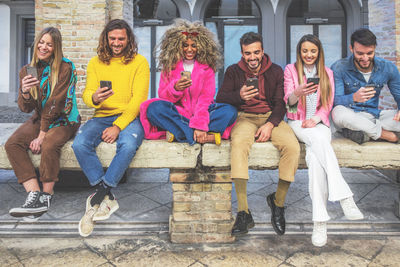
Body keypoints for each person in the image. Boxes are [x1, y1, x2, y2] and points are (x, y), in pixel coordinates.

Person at [216, 32, 300, 236]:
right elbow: (221, 98)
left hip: (271, 116)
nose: (252, 57)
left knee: (293, 147)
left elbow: (281, 103)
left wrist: (271, 124)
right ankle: (244, 212)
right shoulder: (233, 71)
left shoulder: (276, 71)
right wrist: (239, 95)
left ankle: (278, 203)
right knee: (238, 145)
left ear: (262, 51)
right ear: (242, 53)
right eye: (247, 53)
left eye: (256, 52)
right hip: (244, 116)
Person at [284, 34, 364, 247]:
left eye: (313, 51)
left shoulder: (327, 72)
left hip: (320, 125)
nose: (308, 55)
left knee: (316, 161)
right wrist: (297, 93)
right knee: (320, 144)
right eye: (304, 51)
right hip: (298, 123)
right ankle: (345, 197)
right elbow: (289, 106)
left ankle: (320, 222)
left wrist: (317, 119)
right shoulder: (290, 70)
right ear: (299, 52)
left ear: (319, 52)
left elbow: (327, 106)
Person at [72, 19, 150, 237]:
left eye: (121, 39)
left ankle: (99, 196)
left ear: (129, 39)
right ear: (106, 39)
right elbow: (87, 94)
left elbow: (138, 101)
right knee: (79, 144)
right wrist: (94, 98)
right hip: (102, 116)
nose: (116, 43)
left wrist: (118, 126)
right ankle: (106, 195)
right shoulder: (96, 62)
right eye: (112, 38)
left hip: (129, 117)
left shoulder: (140, 62)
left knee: (128, 145)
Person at [5, 27, 80, 221]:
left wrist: (41, 134)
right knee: (12, 144)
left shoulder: (65, 67)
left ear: (56, 48)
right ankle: (34, 195)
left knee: (49, 144)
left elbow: (56, 103)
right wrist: (24, 92)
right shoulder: (27, 70)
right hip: (40, 118)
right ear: (36, 43)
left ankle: (46, 196)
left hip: (65, 119)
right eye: (41, 42)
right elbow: (25, 108)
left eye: (49, 44)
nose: (43, 47)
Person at [140, 19, 237, 145]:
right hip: (180, 114)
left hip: (202, 113)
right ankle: (206, 137)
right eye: (185, 45)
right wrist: (175, 88)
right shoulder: (169, 67)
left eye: (194, 45)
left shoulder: (207, 68)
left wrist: (200, 124)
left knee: (229, 111)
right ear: (177, 46)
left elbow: (205, 99)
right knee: (154, 108)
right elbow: (163, 96)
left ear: (201, 46)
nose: (189, 49)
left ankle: (181, 134)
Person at [331, 28, 400, 144]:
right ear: (351, 49)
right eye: (360, 53)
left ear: (374, 49)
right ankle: (385, 135)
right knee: (337, 113)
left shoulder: (387, 67)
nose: (365, 58)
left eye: (369, 53)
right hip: (351, 115)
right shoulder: (339, 67)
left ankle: (361, 133)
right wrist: (353, 98)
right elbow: (334, 101)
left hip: (376, 116)